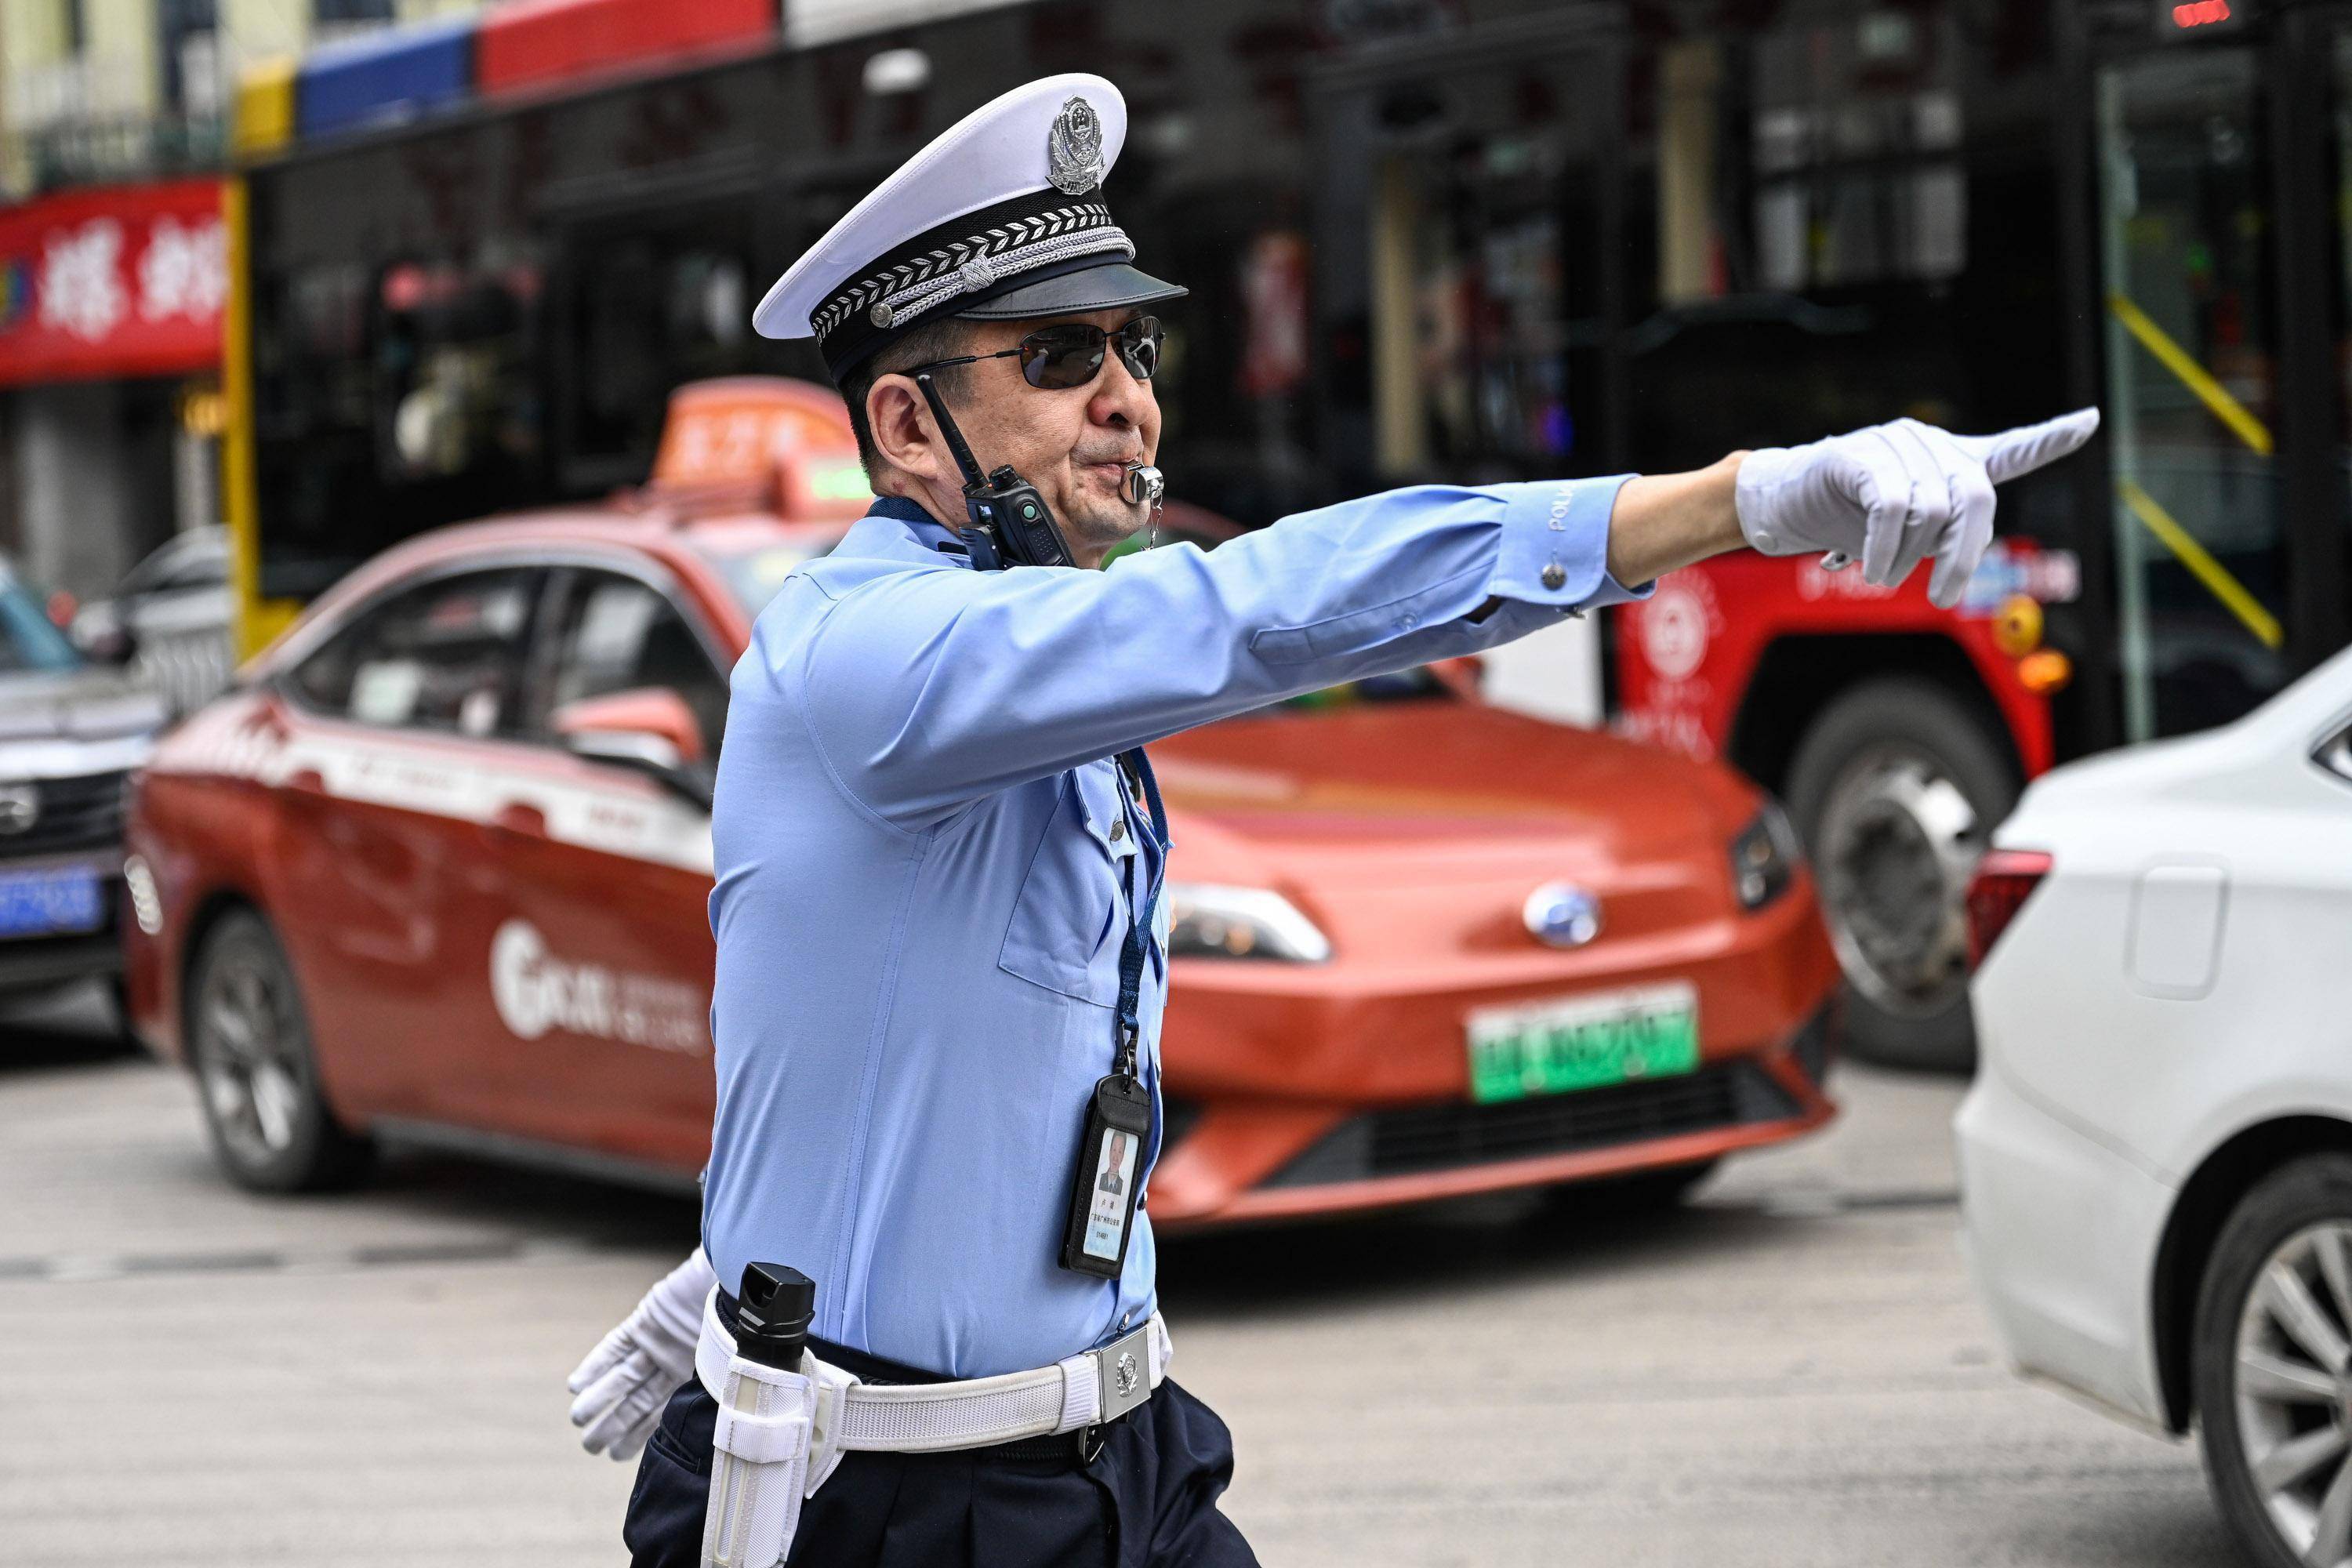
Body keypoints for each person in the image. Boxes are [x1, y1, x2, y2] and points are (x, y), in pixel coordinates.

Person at [561, 73, 2097, 1568]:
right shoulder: (866, 652)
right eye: (1056, 358)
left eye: (1136, 344)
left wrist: (789, 1220)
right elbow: (1264, 609)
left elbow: (930, 1021)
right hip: (893, 1497)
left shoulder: (1031, 644)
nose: (1127, 399)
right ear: (906, 427)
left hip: (1119, 1447)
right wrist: (1739, 501)